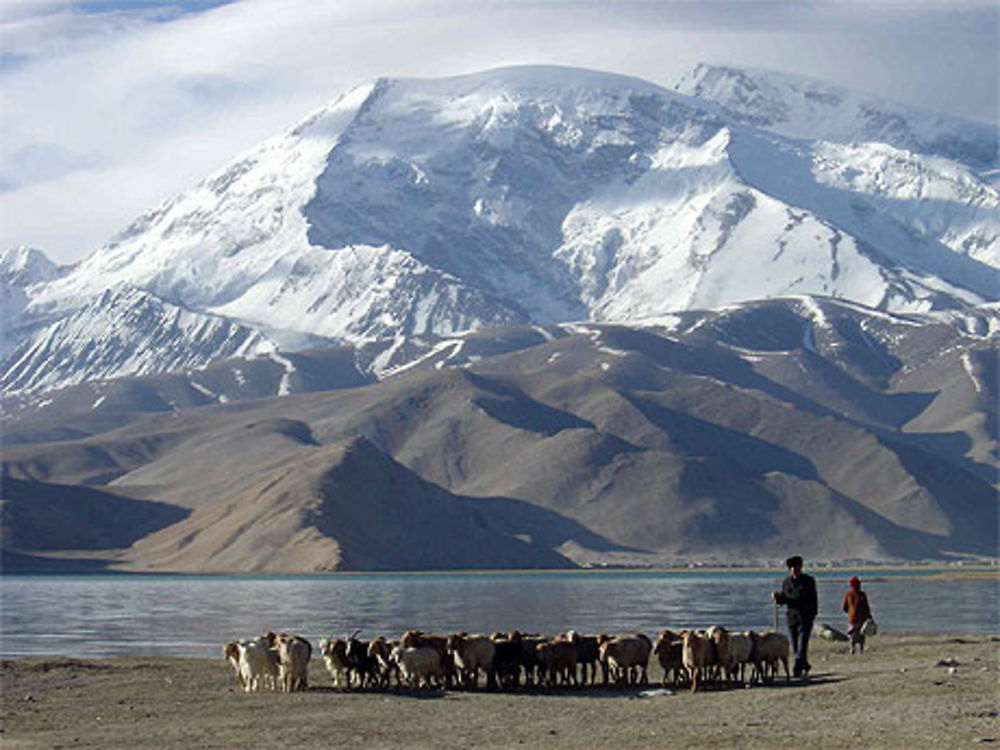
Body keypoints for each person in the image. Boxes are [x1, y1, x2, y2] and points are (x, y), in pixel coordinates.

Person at [771, 555, 818, 679]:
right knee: (795, 646)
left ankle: (797, 669)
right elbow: (784, 598)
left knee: (802, 645)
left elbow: (812, 600)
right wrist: (777, 597)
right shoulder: (786, 582)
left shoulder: (808, 582)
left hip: (805, 618)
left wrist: (812, 615)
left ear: (800, 567)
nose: (793, 569)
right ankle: (805, 665)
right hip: (792, 619)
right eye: (791, 567)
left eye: (796, 567)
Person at [841, 576, 872, 654]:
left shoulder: (848, 594)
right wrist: (869, 616)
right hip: (861, 618)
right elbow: (866, 607)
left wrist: (850, 612)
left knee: (852, 634)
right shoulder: (862, 594)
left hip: (852, 618)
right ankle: (861, 650)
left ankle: (852, 649)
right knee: (861, 634)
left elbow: (844, 607)